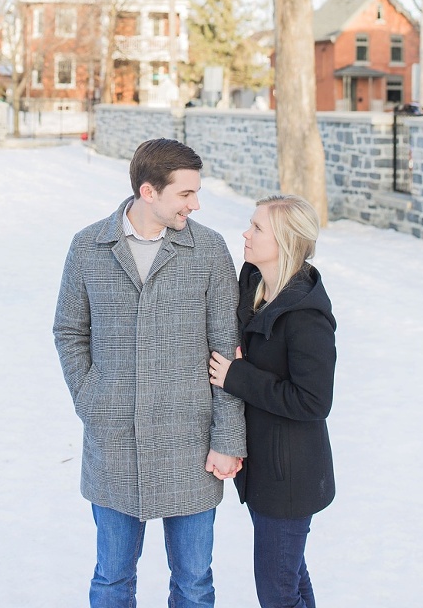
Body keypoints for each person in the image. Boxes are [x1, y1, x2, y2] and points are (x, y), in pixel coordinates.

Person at [53, 137, 246, 608]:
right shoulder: (88, 247)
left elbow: (228, 349)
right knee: (112, 579)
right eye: (186, 194)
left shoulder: (209, 250)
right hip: (115, 442)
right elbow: (69, 332)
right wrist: (90, 398)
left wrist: (228, 438)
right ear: (149, 192)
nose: (195, 204)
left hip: (192, 443)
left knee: (194, 583)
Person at [208, 194, 336, 608]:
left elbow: (313, 401)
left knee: (278, 592)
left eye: (258, 228)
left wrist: (237, 376)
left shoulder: (306, 317)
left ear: (284, 241)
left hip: (290, 476)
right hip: (265, 467)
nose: (246, 233)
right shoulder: (254, 283)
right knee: (291, 576)